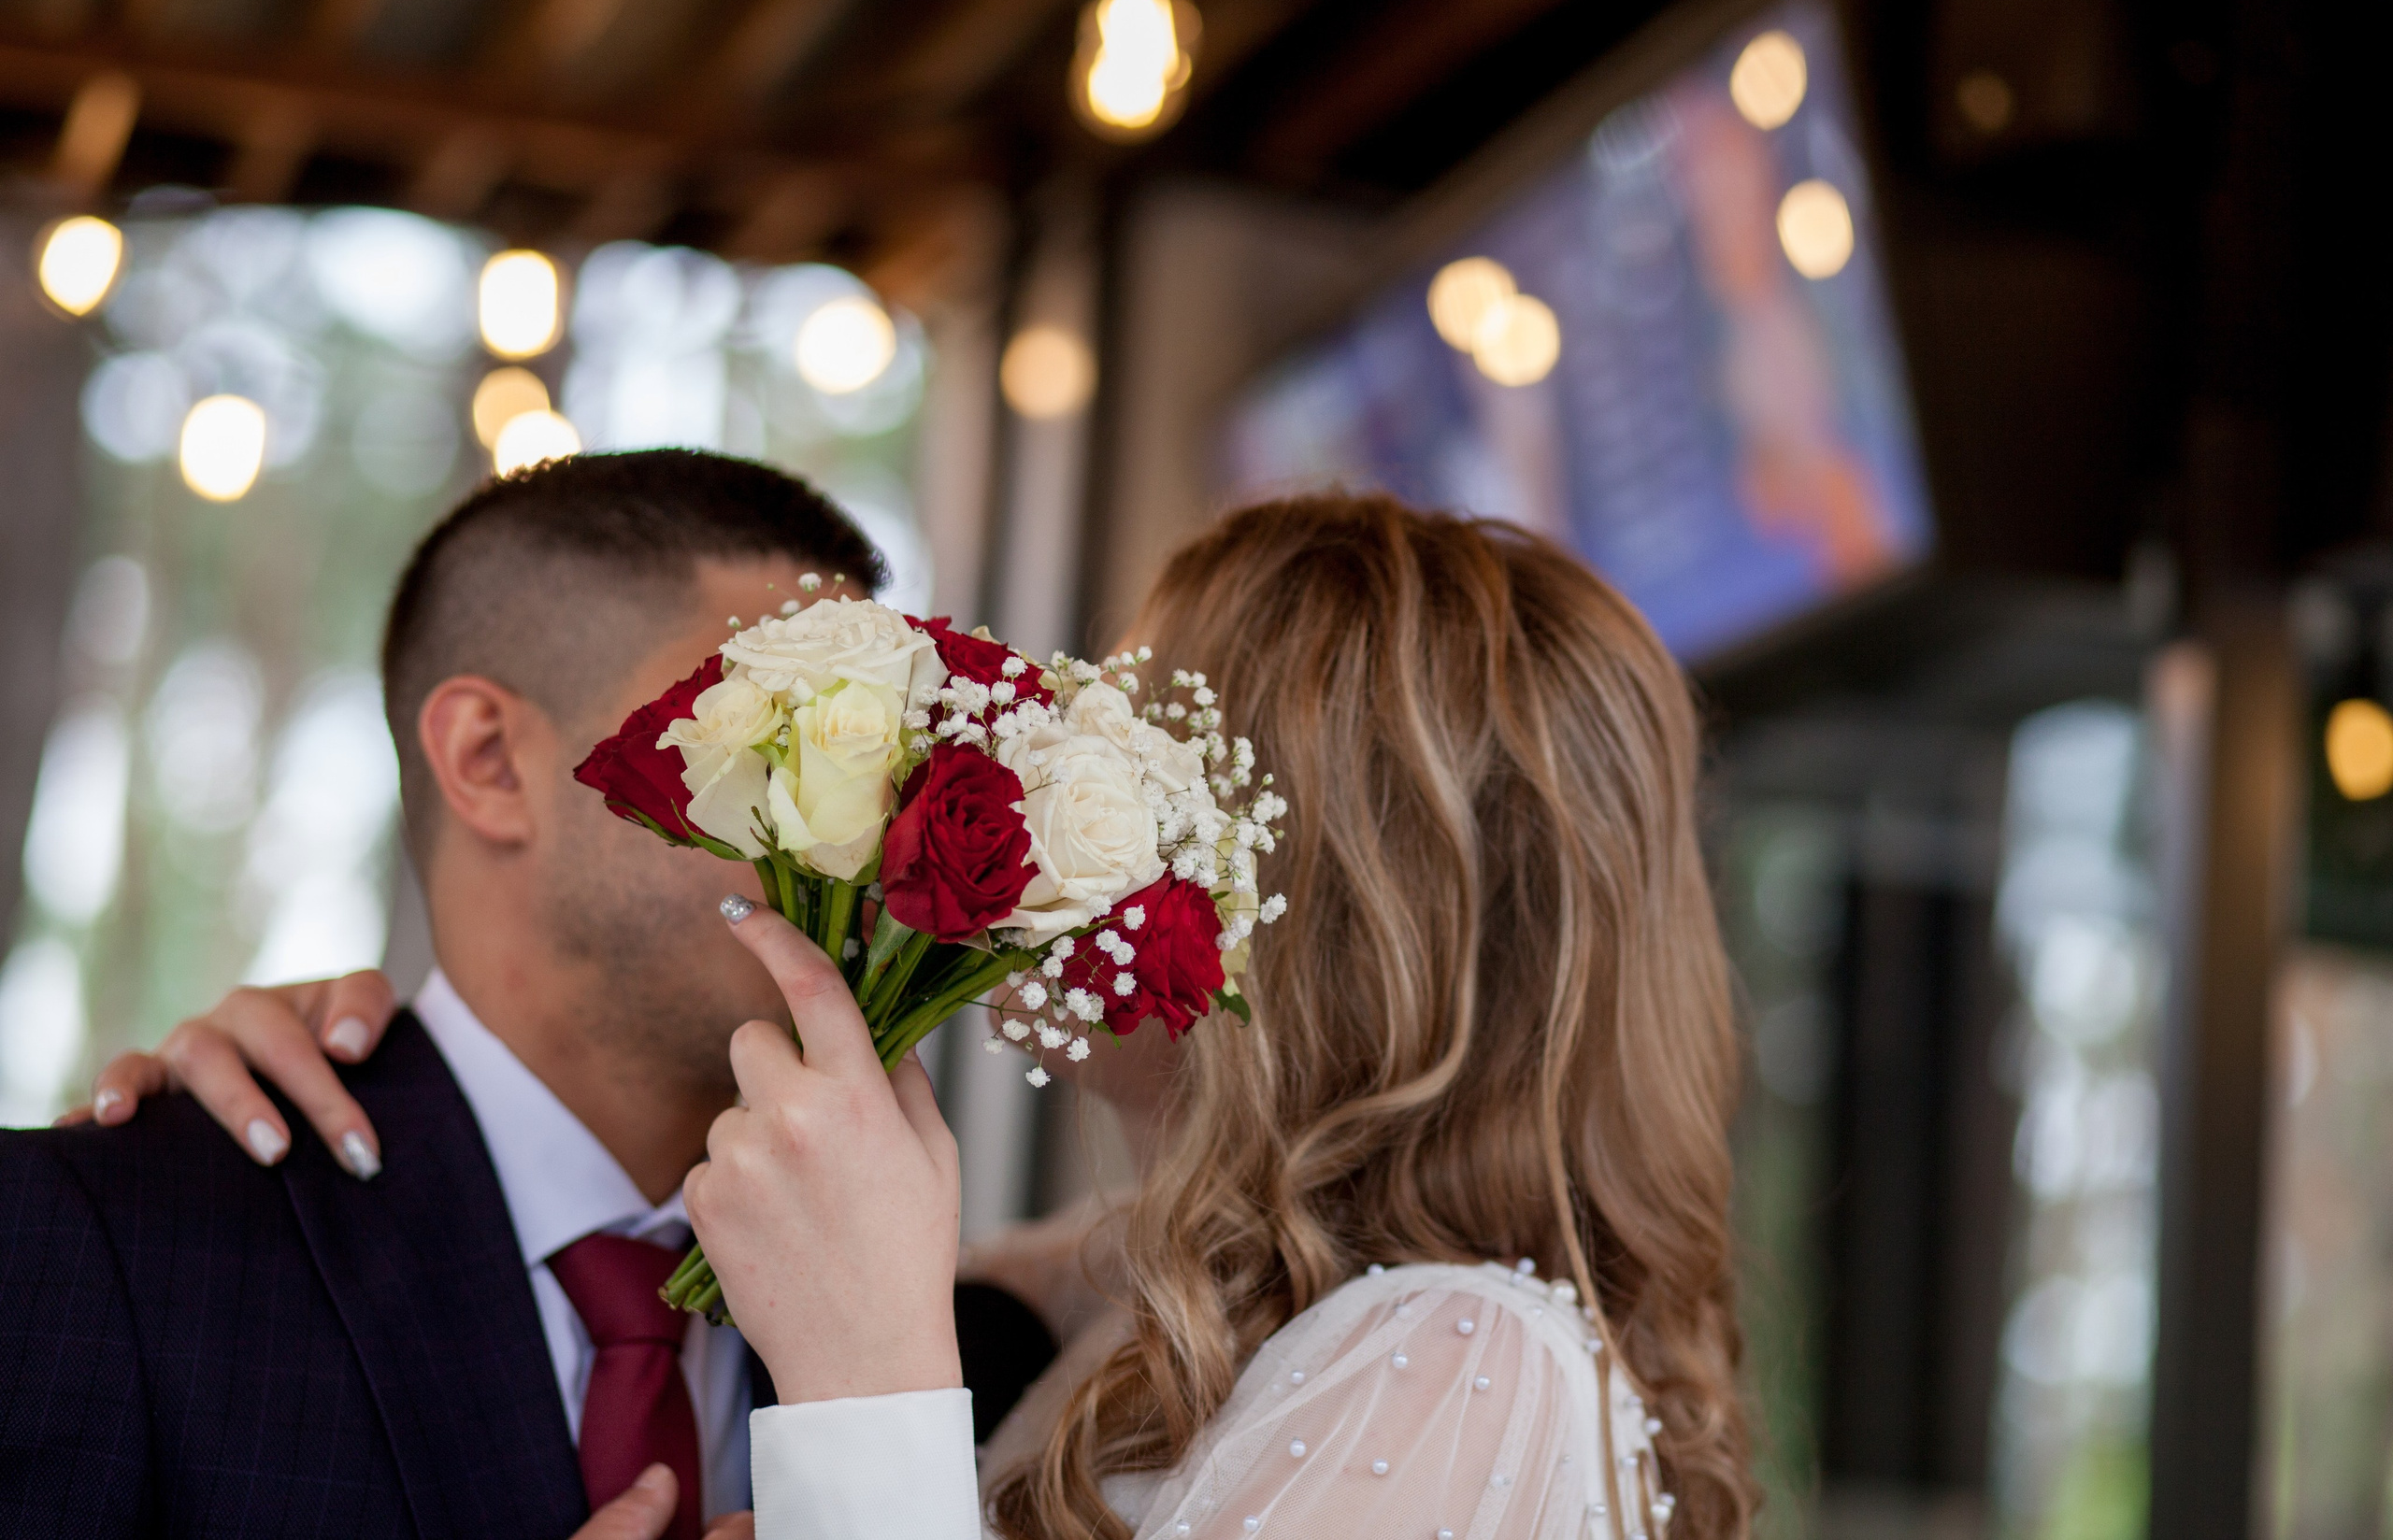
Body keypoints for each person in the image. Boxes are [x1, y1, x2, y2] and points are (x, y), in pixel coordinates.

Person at [116, 495, 1758, 1538]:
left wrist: (869, 1388)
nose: (995, 793)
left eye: (1099, 763)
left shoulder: (1464, 1356)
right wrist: (340, 1057)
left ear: (1308, 892)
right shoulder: (1114, 1294)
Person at [0, 450, 892, 1540]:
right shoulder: (98, 1247)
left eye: (885, 760)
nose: (873, 825)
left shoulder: (922, 1329)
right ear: (489, 761)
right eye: (790, 739)